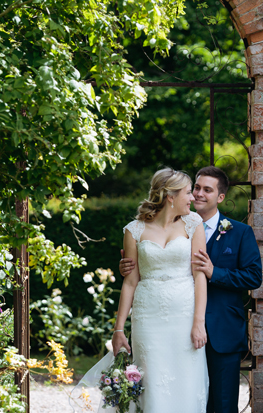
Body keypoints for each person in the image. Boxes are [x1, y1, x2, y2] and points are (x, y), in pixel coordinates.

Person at [120, 166, 262, 413]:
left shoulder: (239, 232)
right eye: (195, 188)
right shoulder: (159, 227)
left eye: (207, 190)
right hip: (172, 326)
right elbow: (141, 272)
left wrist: (214, 272)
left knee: (222, 404)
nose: (198, 194)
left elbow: (253, 276)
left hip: (220, 330)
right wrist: (129, 266)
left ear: (220, 197)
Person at [111, 167, 209, 412]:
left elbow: (200, 276)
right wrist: (119, 329)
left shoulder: (194, 223)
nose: (193, 198)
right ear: (170, 196)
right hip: (148, 318)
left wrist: (199, 322)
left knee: (186, 381)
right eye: (188, 192)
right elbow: (130, 282)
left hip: (184, 316)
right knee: (152, 382)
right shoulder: (134, 230)